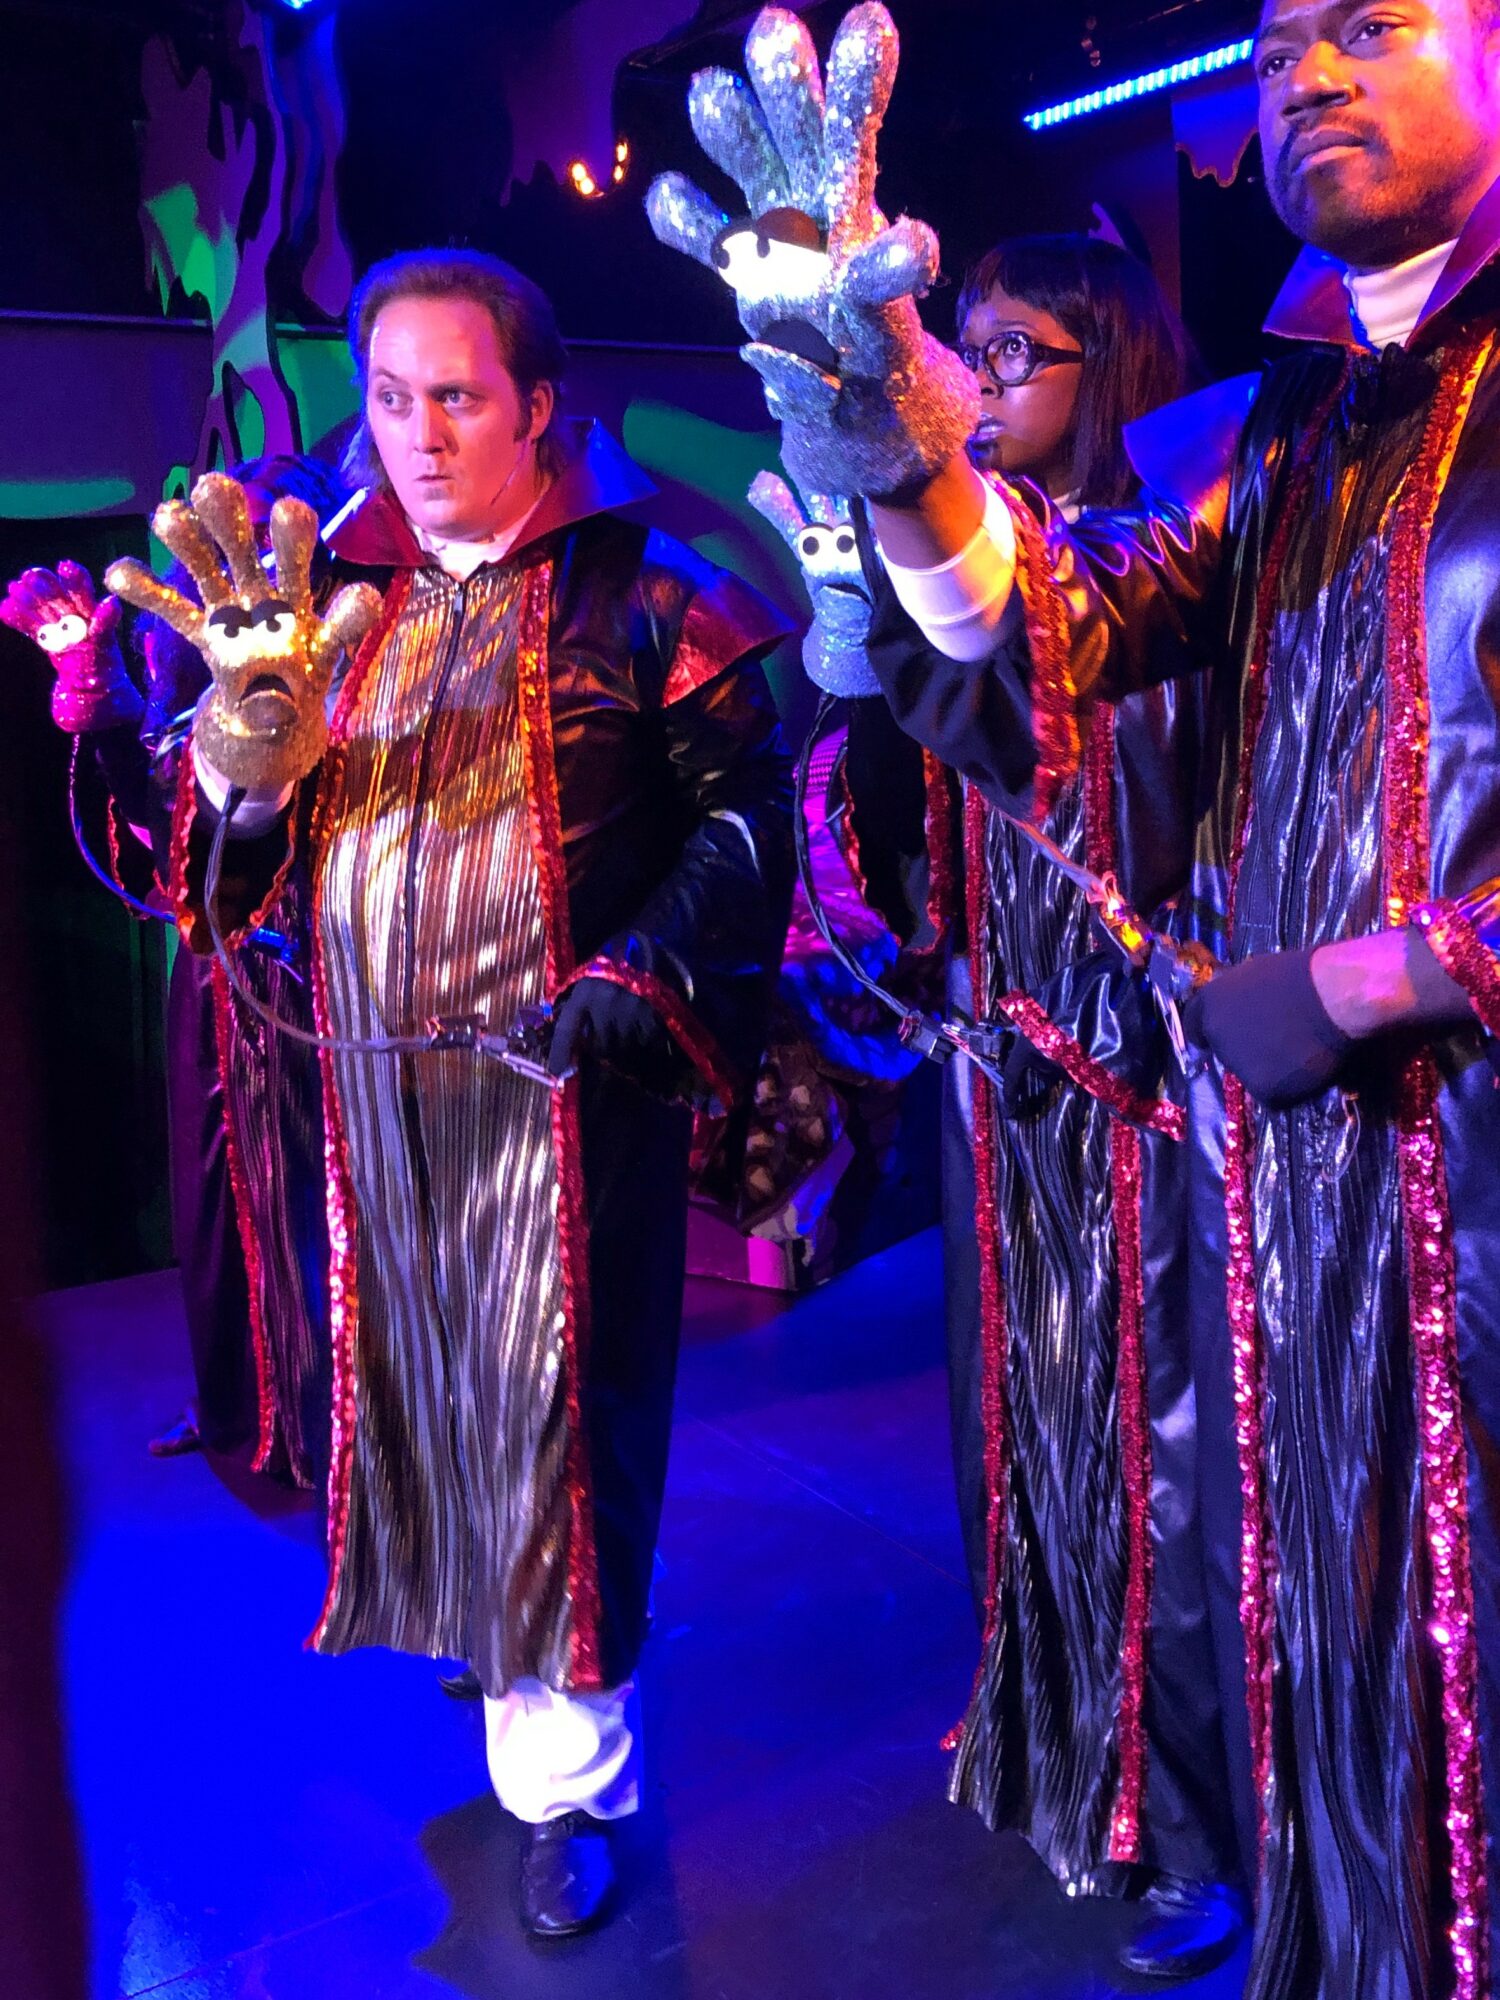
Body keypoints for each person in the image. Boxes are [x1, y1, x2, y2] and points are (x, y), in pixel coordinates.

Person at [677, 1, 1500, 1993]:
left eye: (1374, 24)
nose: (1308, 72)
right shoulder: (1290, 428)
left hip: (1441, 1167)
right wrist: (896, 439)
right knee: (1336, 1654)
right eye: (1279, 41)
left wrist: (1384, 975)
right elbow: (1065, 626)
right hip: (1293, 1199)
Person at [109, 247, 794, 1939]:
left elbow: (743, 823)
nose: (418, 435)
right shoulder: (336, 606)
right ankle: (495, 1653)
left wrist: (636, 976)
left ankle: (568, 1787)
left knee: (560, 1424)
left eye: (460, 397)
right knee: (419, 1395)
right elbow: (232, 877)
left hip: (563, 1099)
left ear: (538, 405)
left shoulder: (650, 599)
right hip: (378, 1112)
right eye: (393, 397)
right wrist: (242, 772)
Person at [832, 234, 1243, 1979]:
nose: (981, 382)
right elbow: (897, 841)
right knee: (1022, 1447)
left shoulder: (1172, 569)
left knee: (1169, 1471)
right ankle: (1071, 1758)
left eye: (1016, 353)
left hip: (1150, 1101)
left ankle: (1198, 1831)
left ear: (1109, 367)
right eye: (971, 350)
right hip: (999, 1096)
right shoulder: (967, 576)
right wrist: (852, 677)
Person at [2, 456, 341, 1481]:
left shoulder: (334, 653)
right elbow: (157, 838)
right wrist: (101, 703)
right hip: (216, 972)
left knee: (318, 1199)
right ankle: (239, 1405)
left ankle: (333, 1421)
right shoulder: (187, 658)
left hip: (320, 969)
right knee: (217, 1200)